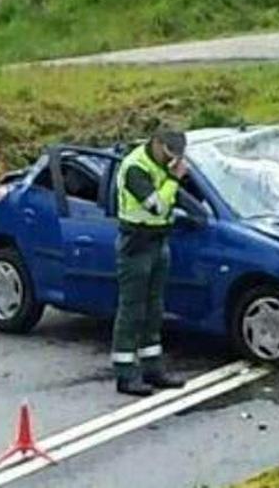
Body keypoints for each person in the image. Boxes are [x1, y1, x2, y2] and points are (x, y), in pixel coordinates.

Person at [112, 129, 189, 396]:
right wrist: (173, 179)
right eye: (169, 152)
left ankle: (152, 369)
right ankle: (124, 374)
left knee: (154, 308)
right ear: (156, 143)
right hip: (136, 243)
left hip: (159, 241)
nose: (172, 159)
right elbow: (156, 206)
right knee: (132, 309)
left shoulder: (161, 165)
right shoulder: (135, 167)